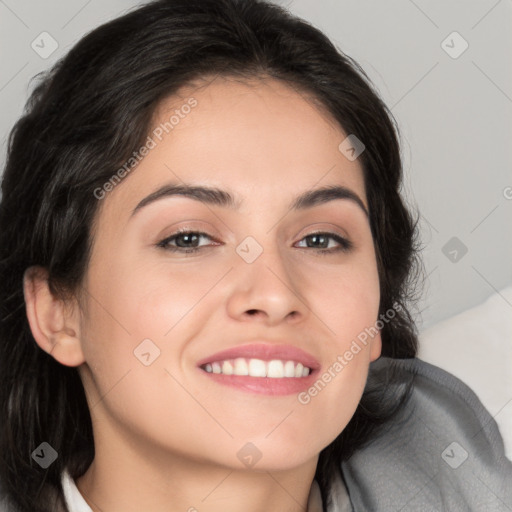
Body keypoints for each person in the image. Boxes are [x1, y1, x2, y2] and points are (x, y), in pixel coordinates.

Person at [0, 0, 510, 511]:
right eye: (189, 238)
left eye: (320, 239)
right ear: (57, 311)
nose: (273, 294)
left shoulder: (465, 470)